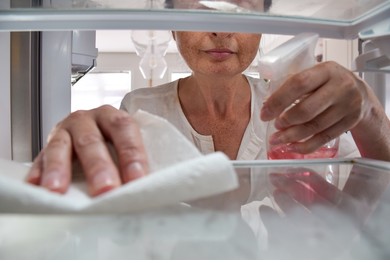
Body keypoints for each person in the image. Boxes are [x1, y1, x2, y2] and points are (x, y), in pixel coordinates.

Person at [26, 2, 390, 197]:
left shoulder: (298, 107)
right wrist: (79, 161)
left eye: (240, 11)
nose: (220, 29)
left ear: (263, 26)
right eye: (201, 9)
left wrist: (368, 109)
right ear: (174, 24)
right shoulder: (141, 108)